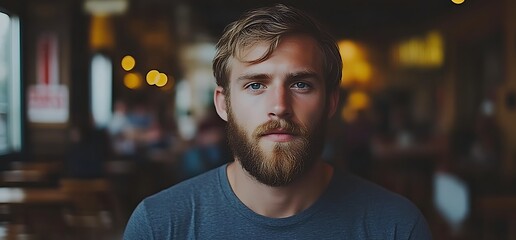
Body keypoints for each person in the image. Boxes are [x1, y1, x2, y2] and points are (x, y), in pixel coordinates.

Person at [124, 4, 432, 239]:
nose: (279, 107)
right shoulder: (160, 225)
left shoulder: (395, 226)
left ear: (331, 102)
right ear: (223, 104)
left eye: (301, 85)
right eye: (255, 85)